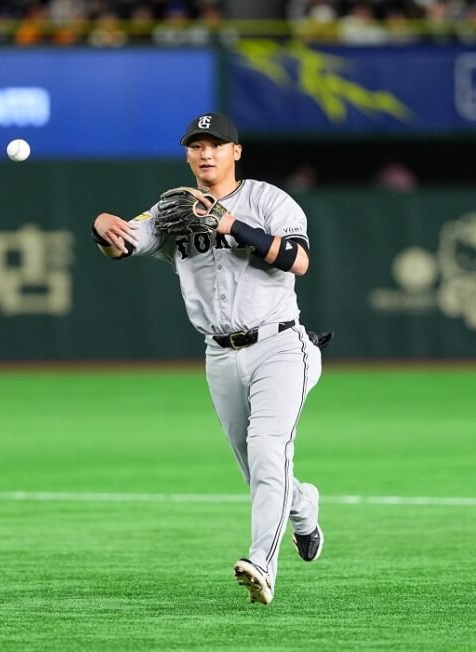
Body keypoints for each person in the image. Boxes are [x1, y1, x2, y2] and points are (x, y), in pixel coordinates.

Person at [91, 112, 325, 606]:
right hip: (219, 354)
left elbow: (298, 261)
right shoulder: (173, 207)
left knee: (267, 450)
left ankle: (262, 564)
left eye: (215, 144)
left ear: (235, 152)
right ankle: (303, 505)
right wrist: (103, 230)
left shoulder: (268, 200)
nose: (205, 153)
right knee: (254, 467)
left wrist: (231, 224)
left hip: (281, 345)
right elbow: (125, 244)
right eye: (196, 145)